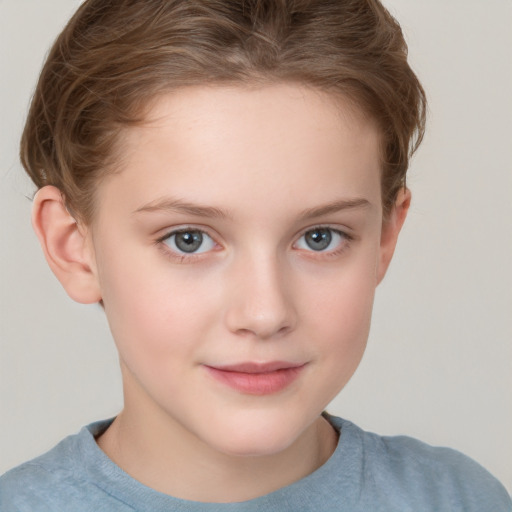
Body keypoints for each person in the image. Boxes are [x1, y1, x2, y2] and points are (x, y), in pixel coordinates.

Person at [0, 0, 510, 510]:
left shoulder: (459, 500)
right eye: (188, 240)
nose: (265, 314)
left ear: (383, 237)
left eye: (320, 237)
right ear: (74, 247)